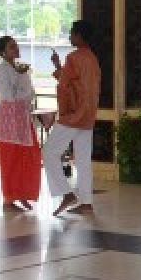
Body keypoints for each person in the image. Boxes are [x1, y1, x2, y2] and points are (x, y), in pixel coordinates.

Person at [43, 20, 101, 217]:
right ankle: (86, 202)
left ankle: (66, 193)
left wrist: (63, 113)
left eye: (71, 33)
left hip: (74, 115)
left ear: (79, 36)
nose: (70, 37)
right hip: (88, 114)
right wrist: (58, 66)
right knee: (83, 159)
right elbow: (76, 82)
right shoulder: (92, 58)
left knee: (49, 152)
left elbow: (65, 85)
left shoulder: (74, 58)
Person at [0, 36, 41, 212]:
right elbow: (8, 95)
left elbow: (31, 93)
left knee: (27, 156)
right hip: (8, 120)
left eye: (16, 46)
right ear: (3, 52)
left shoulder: (20, 69)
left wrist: (22, 79)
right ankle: (9, 197)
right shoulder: (0, 70)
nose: (16, 49)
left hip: (22, 119)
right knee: (10, 158)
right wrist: (22, 82)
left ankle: (22, 194)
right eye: (12, 47)